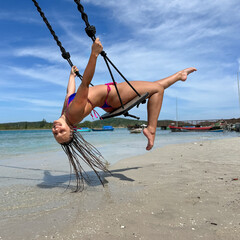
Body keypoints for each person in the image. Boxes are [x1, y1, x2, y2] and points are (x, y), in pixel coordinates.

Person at [52, 38, 197, 190]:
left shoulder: (65, 113)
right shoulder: (73, 114)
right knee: (157, 90)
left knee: (153, 87)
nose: (57, 129)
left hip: (109, 97)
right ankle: (151, 129)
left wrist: (71, 76)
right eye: (62, 132)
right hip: (113, 97)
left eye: (55, 133)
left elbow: (70, 93)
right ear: (72, 129)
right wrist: (94, 54)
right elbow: (85, 83)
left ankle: (179, 75)